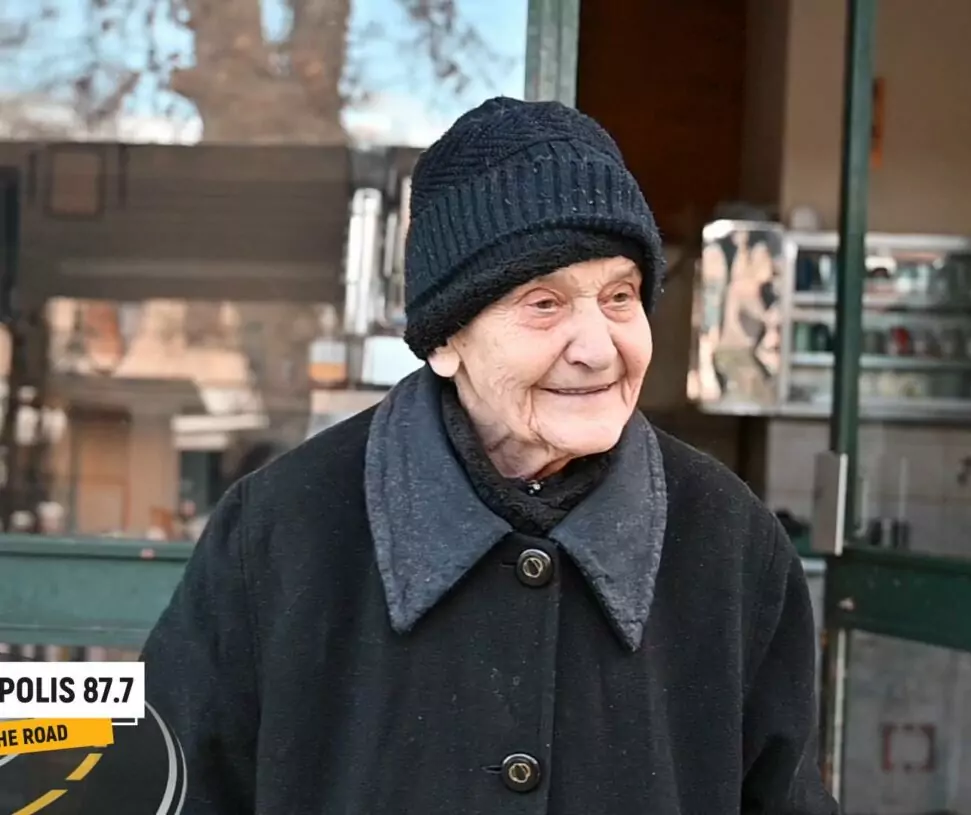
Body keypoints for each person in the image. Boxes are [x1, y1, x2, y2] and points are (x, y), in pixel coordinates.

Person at [141, 97, 839, 815]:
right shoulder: (283, 528)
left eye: (620, 296)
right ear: (447, 340)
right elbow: (159, 783)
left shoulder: (729, 539)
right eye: (544, 302)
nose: (597, 348)